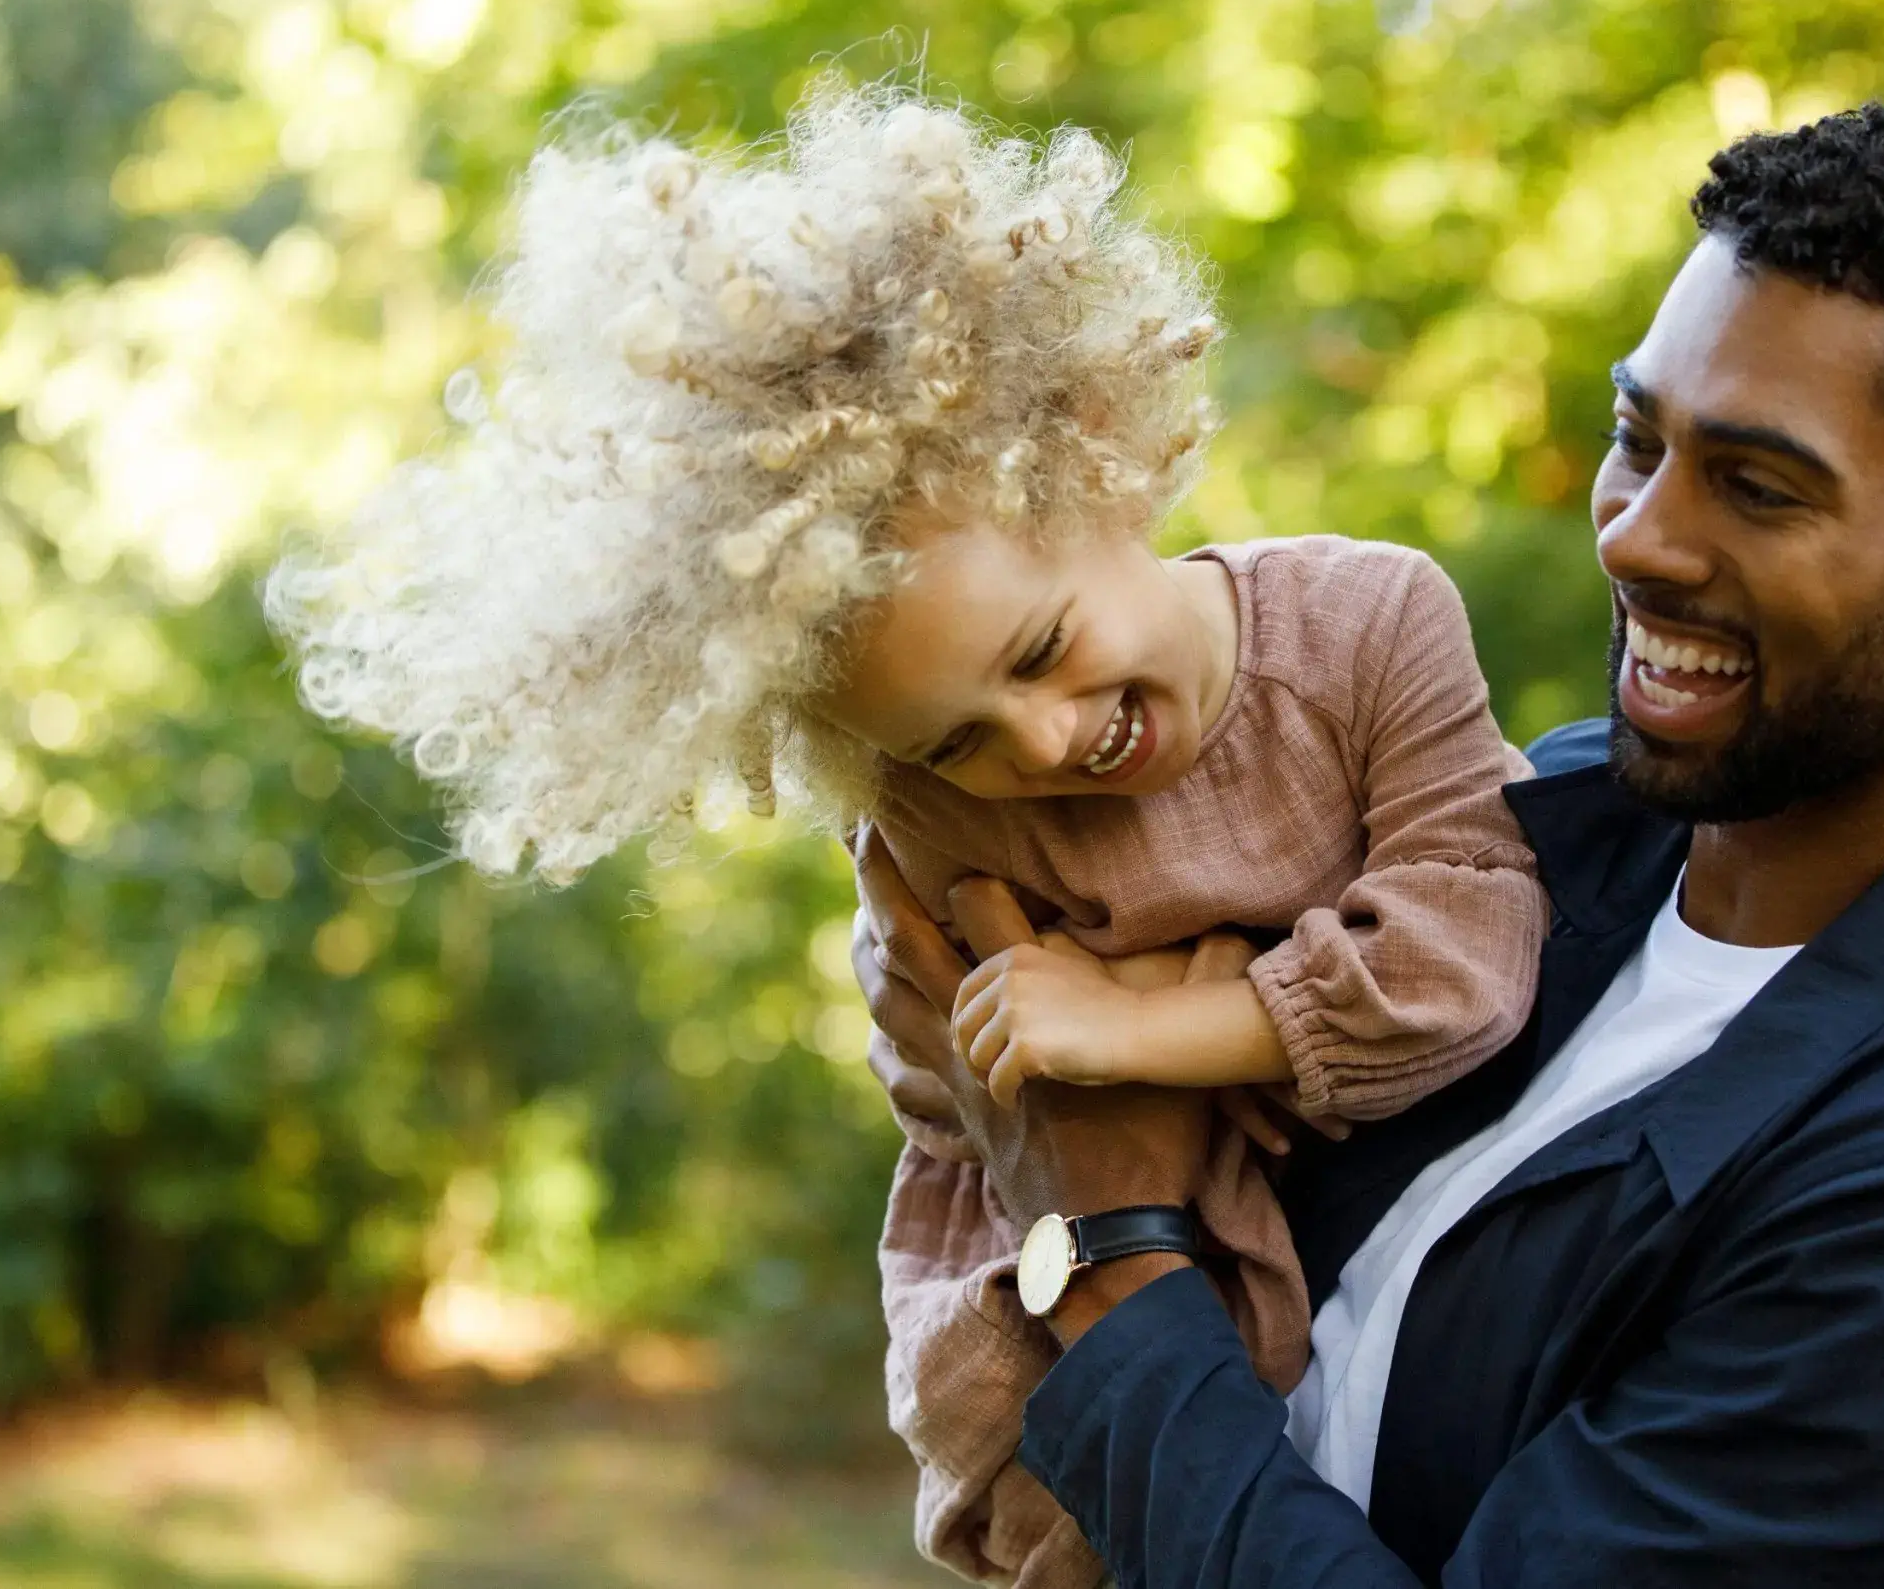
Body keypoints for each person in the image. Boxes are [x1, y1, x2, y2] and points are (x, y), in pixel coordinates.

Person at [855, 101, 1884, 1586]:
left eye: (1757, 487)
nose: (1633, 536)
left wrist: (1107, 1227)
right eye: (1640, 439)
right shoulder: (1541, 837)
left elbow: (1118, 1189)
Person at [263, 88, 1551, 1589]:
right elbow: (960, 1091)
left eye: (1039, 649)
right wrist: (1084, 1070)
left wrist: (1140, 1026)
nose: (1046, 746)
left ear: (1095, 460)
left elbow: (1468, 950)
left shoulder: (1366, 624)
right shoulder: (934, 821)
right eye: (954, 742)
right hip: (1101, 1290)